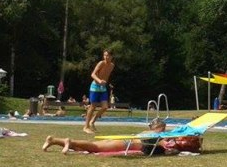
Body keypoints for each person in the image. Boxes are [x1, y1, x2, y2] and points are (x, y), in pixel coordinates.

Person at [43, 118, 178, 156]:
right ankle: (67, 141)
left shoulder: (147, 132)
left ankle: (54, 140)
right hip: (126, 144)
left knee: (91, 146)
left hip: (125, 140)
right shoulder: (157, 135)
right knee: (94, 147)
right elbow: (163, 145)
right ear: (161, 128)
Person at [83, 49, 115, 134]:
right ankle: (86, 127)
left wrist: (104, 83)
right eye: (104, 55)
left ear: (111, 56)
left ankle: (92, 121)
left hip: (103, 87)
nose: (106, 57)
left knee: (105, 107)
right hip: (95, 86)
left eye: (107, 55)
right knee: (92, 106)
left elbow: (106, 76)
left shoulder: (112, 65)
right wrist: (99, 80)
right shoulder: (101, 63)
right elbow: (92, 74)